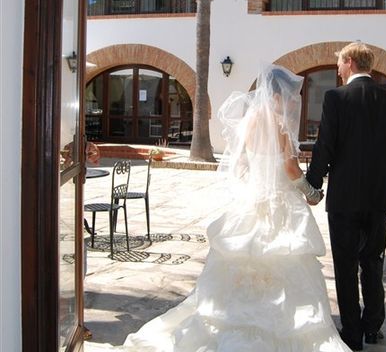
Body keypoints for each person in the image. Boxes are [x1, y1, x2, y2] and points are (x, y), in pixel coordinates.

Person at [86, 64, 352, 351]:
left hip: (254, 201)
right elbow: (289, 167)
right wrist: (310, 192)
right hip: (280, 201)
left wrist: (254, 185)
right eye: (288, 95)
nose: (291, 101)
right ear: (275, 95)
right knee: (286, 259)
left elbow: (240, 164)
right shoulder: (276, 124)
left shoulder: (250, 119)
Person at [306, 42, 386, 351]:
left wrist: (312, 184)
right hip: (381, 198)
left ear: (349, 62)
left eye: (339, 63)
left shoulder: (336, 97)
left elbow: (325, 146)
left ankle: (352, 333)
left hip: (345, 199)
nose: (337, 69)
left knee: (345, 265)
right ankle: (373, 326)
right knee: (373, 261)